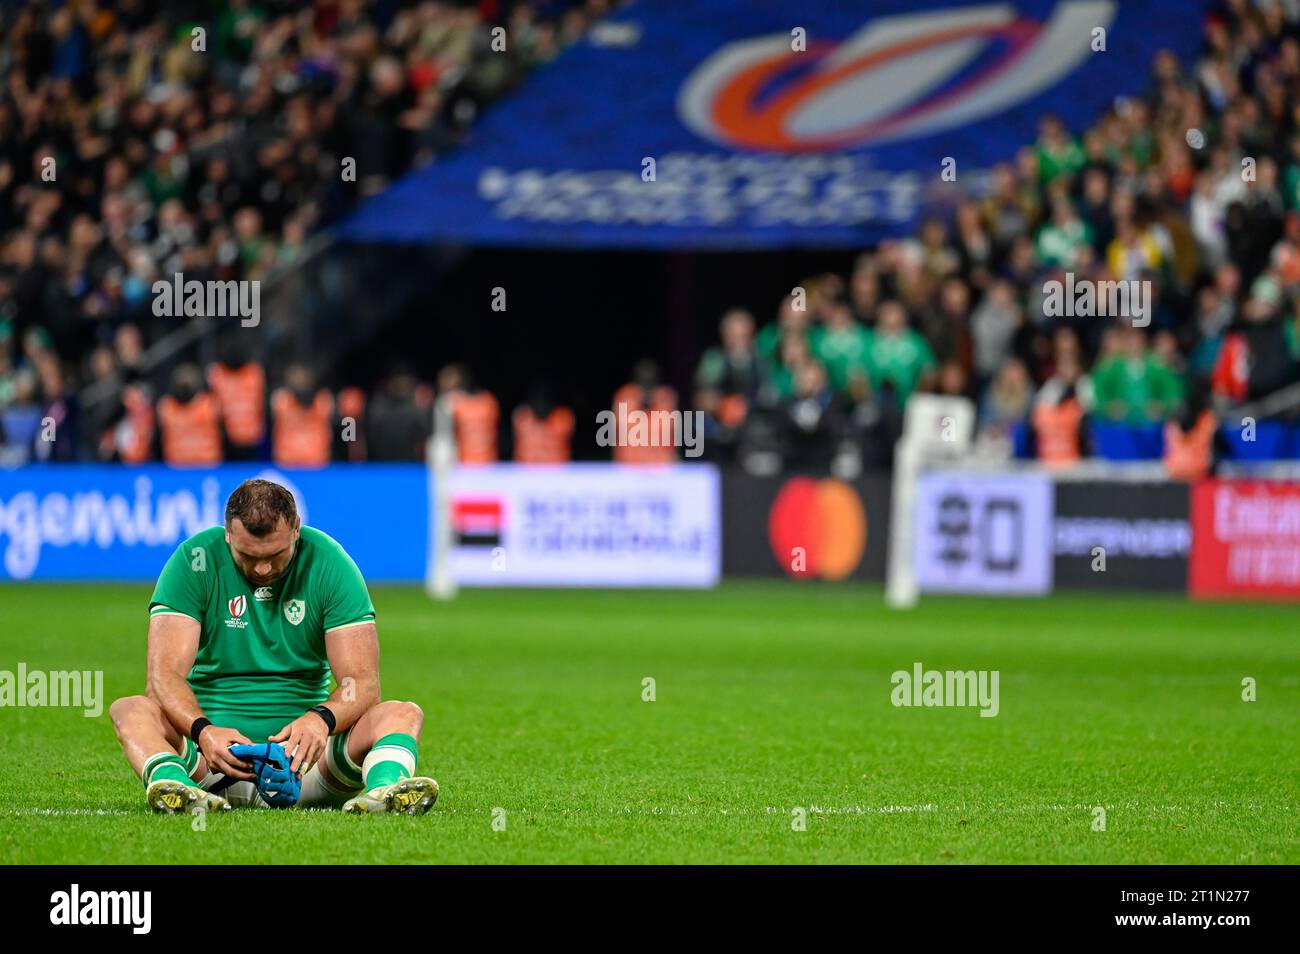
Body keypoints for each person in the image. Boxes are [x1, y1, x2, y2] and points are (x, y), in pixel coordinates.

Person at [108, 478, 439, 815]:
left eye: (275, 555)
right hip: (210, 761)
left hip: (307, 764)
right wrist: (203, 731)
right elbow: (162, 678)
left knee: (402, 713)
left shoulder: (330, 563)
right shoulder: (194, 561)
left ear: (296, 529)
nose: (263, 568)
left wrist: (320, 720)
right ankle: (182, 791)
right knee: (129, 710)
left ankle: (385, 791)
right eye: (248, 556)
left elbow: (363, 684)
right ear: (228, 535)